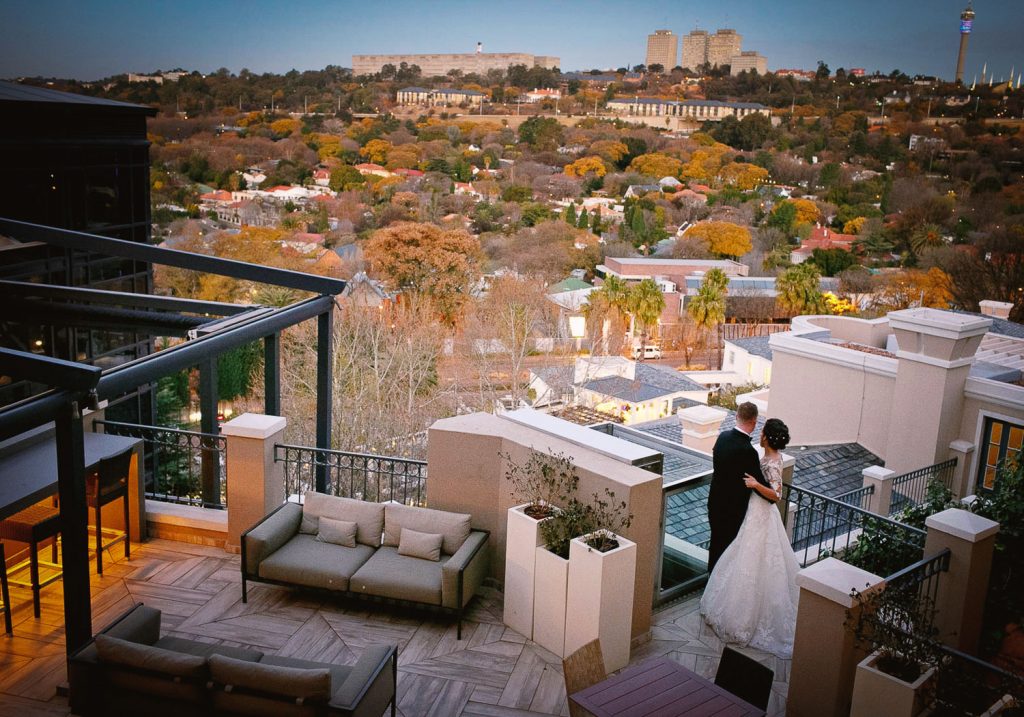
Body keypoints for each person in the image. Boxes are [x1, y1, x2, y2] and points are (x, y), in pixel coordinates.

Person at [701, 417, 801, 658]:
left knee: (759, 561)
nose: (760, 433)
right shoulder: (758, 455)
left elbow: (776, 495)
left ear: (766, 436)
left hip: (762, 513)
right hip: (752, 511)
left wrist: (756, 484)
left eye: (763, 431)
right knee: (744, 557)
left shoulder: (775, 461)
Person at [706, 402, 770, 573]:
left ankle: (711, 580)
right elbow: (759, 484)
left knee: (716, 544)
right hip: (733, 509)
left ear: (737, 417)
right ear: (754, 422)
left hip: (715, 502)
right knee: (728, 550)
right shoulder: (748, 451)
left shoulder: (722, 437)